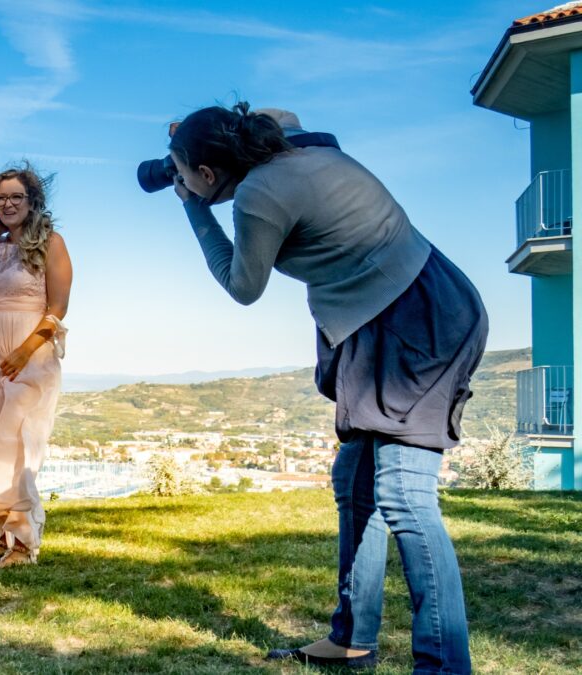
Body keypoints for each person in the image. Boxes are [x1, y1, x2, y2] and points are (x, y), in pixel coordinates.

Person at [169, 102, 485, 674]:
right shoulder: (297, 143)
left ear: (208, 175)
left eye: (184, 169)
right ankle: (352, 639)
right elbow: (279, 111)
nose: (182, 179)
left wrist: (195, 210)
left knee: (405, 494)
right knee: (356, 480)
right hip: (409, 306)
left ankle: (445, 667)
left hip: (413, 321)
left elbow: (243, 286)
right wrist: (197, 137)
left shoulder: (259, 191)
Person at [0, 163, 72, 568]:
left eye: (15, 197)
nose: (7, 203)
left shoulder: (51, 242)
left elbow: (57, 307)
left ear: (32, 200)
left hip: (31, 345)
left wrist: (27, 350)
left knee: (18, 442)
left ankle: (23, 544)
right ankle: (1, 531)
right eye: (0, 198)